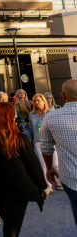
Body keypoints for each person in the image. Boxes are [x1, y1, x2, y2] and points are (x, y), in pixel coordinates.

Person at [0, 102, 49, 237]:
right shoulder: (20, 138)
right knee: (12, 227)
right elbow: (33, 166)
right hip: (18, 188)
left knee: (9, 224)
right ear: (10, 117)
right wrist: (43, 186)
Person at [40, 79, 77, 228]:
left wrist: (49, 167)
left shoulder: (51, 117)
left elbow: (46, 148)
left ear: (62, 95)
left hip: (71, 178)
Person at [29, 94, 61, 192]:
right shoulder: (32, 114)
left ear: (44, 101)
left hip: (51, 140)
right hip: (38, 141)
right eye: (34, 101)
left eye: (38, 100)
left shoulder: (51, 112)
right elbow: (31, 127)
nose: (36, 103)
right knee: (43, 164)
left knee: (55, 163)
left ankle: (58, 181)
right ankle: (48, 185)